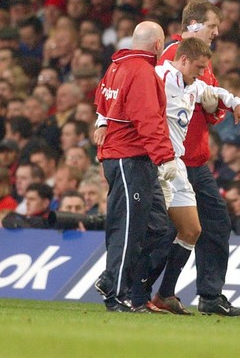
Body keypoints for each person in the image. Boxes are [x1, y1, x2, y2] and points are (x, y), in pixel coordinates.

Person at [155, 0, 240, 316]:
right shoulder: (174, 55)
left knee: (215, 223)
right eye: (212, 26)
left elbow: (209, 106)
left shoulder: (202, 62)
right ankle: (139, 290)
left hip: (196, 158)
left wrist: (219, 106)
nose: (217, 32)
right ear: (193, 25)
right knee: (168, 229)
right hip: (173, 160)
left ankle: (210, 296)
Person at [93, 21, 177, 313]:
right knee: (127, 228)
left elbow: (101, 100)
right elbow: (148, 120)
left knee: (157, 225)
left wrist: (102, 122)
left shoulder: (117, 66)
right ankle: (115, 293)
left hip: (128, 157)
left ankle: (112, 279)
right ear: (157, 45)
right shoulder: (142, 72)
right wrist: (165, 157)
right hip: (130, 158)